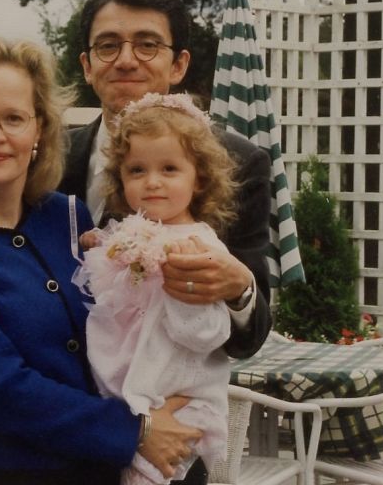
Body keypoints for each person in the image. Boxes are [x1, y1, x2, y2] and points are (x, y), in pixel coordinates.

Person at [0, 37, 200, 484]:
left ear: (39, 129)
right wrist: (137, 431)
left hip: (105, 472)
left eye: (13, 118)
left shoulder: (69, 218)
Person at [59, 0, 272, 363]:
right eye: (108, 46)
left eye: (147, 45)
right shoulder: (48, 159)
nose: (126, 60)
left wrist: (240, 288)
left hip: (173, 395)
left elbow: (249, 338)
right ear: (87, 66)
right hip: (58, 393)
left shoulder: (238, 162)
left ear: (178, 65)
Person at [72, 93, 237, 485]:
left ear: (199, 178)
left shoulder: (201, 246)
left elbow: (209, 334)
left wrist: (186, 292)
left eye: (169, 169)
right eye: (137, 170)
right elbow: (106, 296)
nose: (153, 183)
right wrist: (101, 249)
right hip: (124, 393)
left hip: (178, 397)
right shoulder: (129, 232)